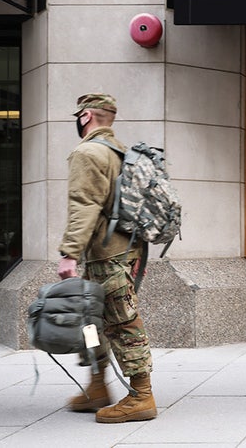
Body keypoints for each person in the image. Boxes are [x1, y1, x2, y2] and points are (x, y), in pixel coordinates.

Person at [57, 93, 157, 423]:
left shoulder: (87, 152)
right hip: (125, 251)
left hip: (106, 255)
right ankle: (97, 385)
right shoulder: (121, 152)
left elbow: (83, 205)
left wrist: (69, 253)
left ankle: (141, 395)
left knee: (122, 320)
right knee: (91, 321)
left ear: (86, 116)